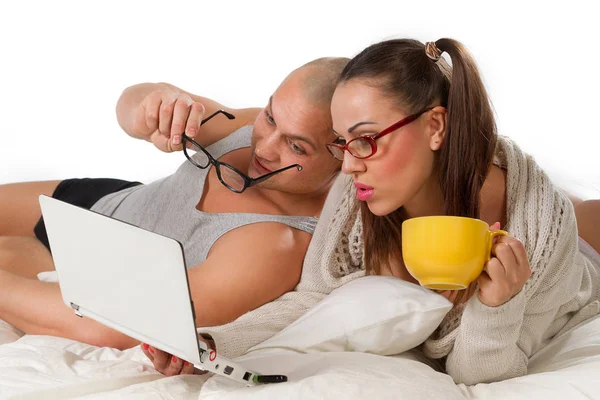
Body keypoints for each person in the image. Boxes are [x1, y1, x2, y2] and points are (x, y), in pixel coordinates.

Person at [0, 57, 351, 365]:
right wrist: (154, 104)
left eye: (296, 146)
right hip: (102, 202)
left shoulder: (275, 245)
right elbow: (131, 102)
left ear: (344, 156)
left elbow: (117, 325)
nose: (264, 146)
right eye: (270, 116)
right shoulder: (259, 125)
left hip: (82, 268)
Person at [326, 38, 600, 385]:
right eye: (341, 141)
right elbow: (312, 296)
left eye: (366, 138)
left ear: (435, 127)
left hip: (583, 257)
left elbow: (483, 373)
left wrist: (496, 308)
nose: (349, 165)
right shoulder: (360, 187)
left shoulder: (540, 226)